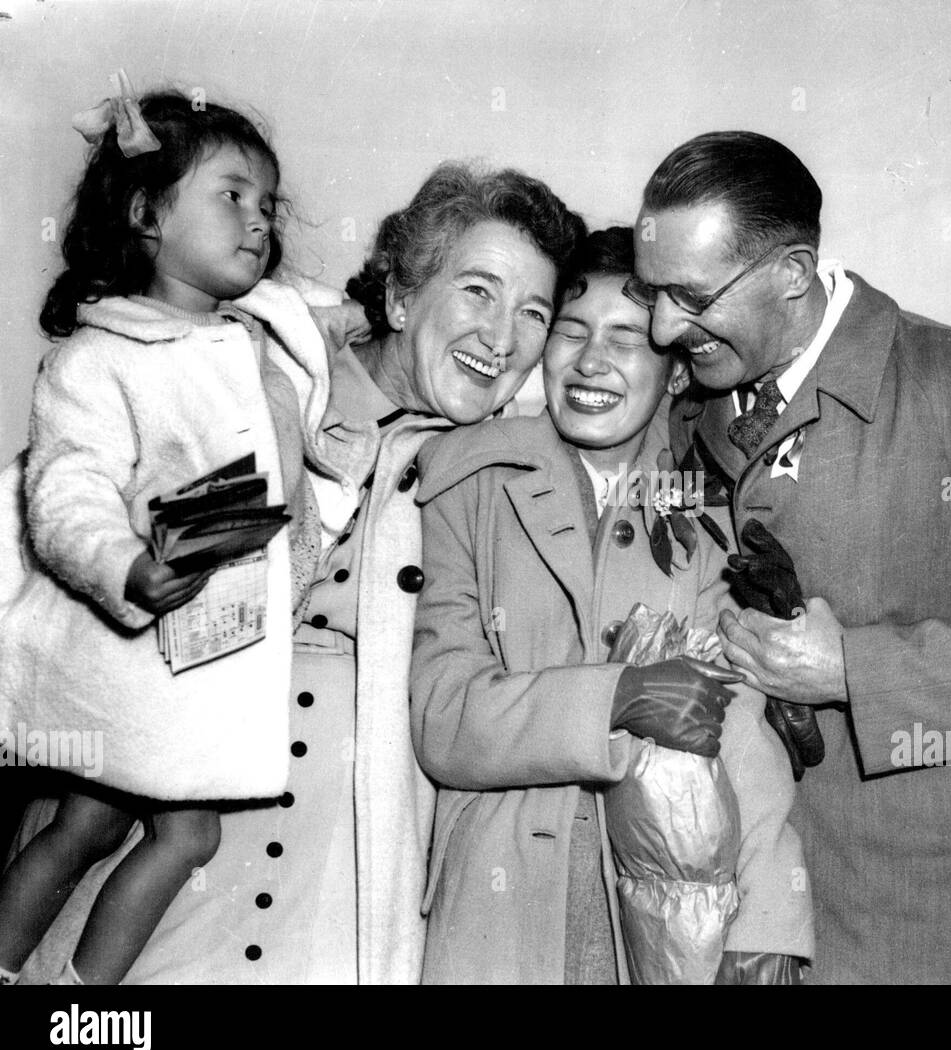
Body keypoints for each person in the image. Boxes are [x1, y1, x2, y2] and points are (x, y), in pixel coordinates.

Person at [8, 161, 586, 984]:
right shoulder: (243, 369)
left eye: (534, 312)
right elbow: (72, 517)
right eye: (478, 291)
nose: (503, 337)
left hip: (338, 897)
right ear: (398, 298)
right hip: (160, 859)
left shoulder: (498, 468)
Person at [631, 130, 951, 983]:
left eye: (691, 296)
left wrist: (851, 668)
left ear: (791, 272)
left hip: (942, 931)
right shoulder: (692, 408)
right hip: (761, 921)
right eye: (652, 294)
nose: (665, 326)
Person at [409, 227, 813, 984]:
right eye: (571, 332)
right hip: (500, 920)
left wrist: (766, 924)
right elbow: (443, 717)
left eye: (627, 338)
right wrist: (617, 699)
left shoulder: (707, 507)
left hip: (662, 922)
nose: (591, 362)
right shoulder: (466, 479)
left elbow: (744, 734)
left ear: (678, 374)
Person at [0, 88, 328, 985]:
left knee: (96, 823)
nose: (258, 221)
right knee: (167, 829)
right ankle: (74, 1003)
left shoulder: (261, 342)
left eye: (267, 205)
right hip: (124, 657)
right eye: (231, 195)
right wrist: (125, 566)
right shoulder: (100, 355)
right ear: (146, 213)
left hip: (197, 656)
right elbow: (64, 494)